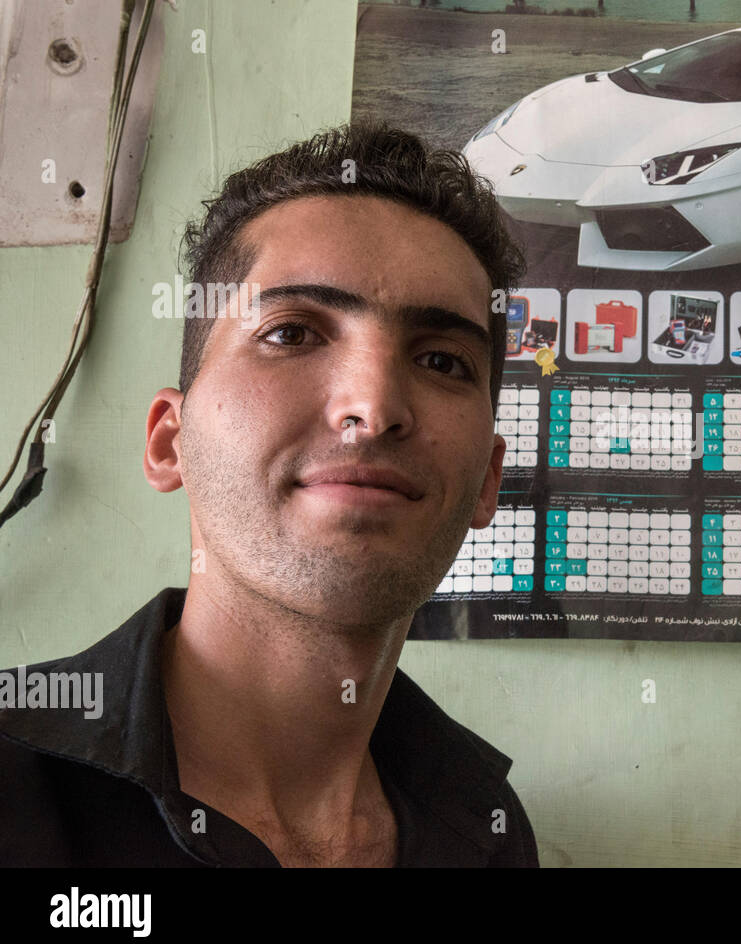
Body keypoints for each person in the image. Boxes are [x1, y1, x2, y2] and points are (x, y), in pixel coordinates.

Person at [0, 122, 539, 867]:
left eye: (443, 359)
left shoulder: (485, 828)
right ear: (169, 441)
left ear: (486, 482)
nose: (373, 406)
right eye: (292, 334)